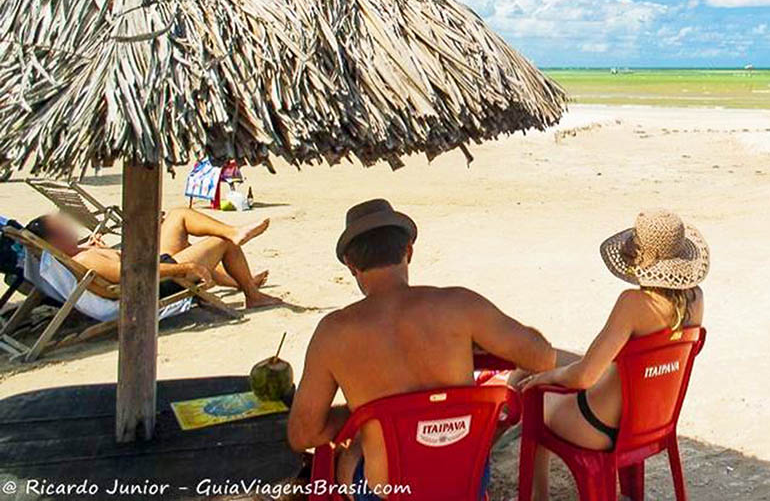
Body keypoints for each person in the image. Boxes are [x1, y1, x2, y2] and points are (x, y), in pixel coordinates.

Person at [286, 199, 556, 501]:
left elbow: (303, 435)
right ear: (408, 252)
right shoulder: (460, 306)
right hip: (464, 484)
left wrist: (360, 415)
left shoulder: (333, 332)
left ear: (351, 265)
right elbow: (543, 357)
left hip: (389, 491)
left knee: (352, 452)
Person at [517, 210, 708, 501]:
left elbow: (584, 376)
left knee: (533, 396)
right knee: (549, 359)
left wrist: (548, 376)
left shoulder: (633, 304)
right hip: (653, 421)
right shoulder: (696, 300)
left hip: (600, 426)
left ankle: (536, 497)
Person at [27, 207, 281, 308]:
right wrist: (186, 266)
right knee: (219, 244)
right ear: (56, 240)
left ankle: (239, 265)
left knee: (178, 215)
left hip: (155, 267)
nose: (68, 226)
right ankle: (252, 295)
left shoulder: (79, 254)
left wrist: (101, 249)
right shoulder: (86, 261)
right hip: (154, 282)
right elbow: (133, 275)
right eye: (62, 227)